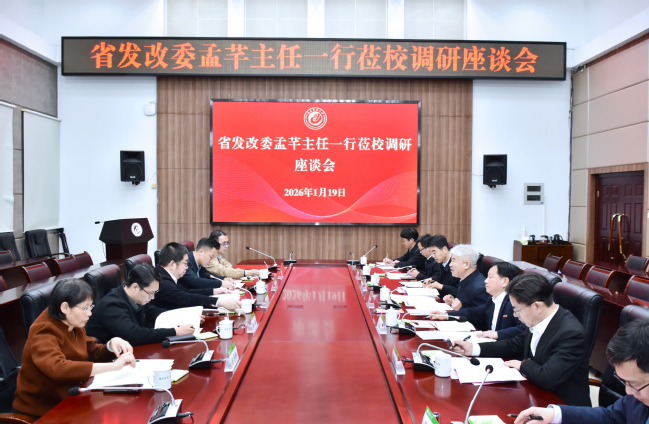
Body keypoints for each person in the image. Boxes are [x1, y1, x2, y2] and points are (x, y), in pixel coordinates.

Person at [452, 273, 591, 406]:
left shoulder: (570, 333)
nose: (515, 315)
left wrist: (521, 365)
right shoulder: (540, 319)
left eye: (517, 310)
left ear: (537, 306)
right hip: (535, 393)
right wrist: (473, 348)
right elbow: (514, 344)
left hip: (561, 406)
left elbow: (548, 377)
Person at [12, 278, 136, 418]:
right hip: (45, 410)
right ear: (65, 307)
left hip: (73, 398)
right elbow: (58, 368)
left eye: (90, 307)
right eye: (85, 308)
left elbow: (91, 351)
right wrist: (113, 367)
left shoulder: (71, 322)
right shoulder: (43, 331)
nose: (89, 313)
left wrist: (111, 345)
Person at [514, 319, 649, 423]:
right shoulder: (636, 397)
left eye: (634, 384)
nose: (628, 392)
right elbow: (610, 417)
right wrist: (555, 414)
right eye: (625, 382)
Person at [86, 263, 195, 346]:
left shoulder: (134, 297)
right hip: (106, 360)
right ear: (135, 287)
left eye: (155, 292)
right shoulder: (111, 305)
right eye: (150, 293)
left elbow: (153, 312)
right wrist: (175, 332)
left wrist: (184, 316)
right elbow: (133, 335)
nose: (153, 297)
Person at [431, 261, 527, 340]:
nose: (485, 281)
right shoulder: (493, 299)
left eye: (490, 277)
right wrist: (447, 315)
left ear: (504, 281)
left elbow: (524, 329)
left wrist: (497, 334)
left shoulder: (515, 303)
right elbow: (475, 312)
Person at [151, 242, 241, 311]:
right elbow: (185, 297)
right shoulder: (162, 281)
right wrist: (218, 302)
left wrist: (213, 291)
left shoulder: (164, 274)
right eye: (185, 263)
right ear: (172, 264)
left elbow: (185, 291)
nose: (187, 267)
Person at [442, 244, 490, 310]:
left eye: (453, 261)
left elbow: (483, 315)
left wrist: (460, 308)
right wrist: (453, 301)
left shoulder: (479, 289)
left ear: (466, 264)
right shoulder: (465, 278)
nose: (450, 265)